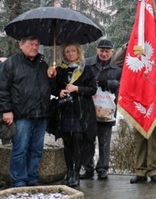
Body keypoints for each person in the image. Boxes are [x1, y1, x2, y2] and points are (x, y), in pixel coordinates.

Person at [0, 36, 53, 187]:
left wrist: (53, 76)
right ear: (21, 45)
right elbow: (2, 89)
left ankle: (32, 178)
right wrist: (6, 110)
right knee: (20, 149)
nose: (35, 47)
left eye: (37, 45)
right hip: (21, 114)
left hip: (41, 113)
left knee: (36, 149)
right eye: (31, 44)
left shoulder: (43, 64)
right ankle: (19, 181)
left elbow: (50, 88)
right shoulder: (11, 64)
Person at [113, 43, 156, 184]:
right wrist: (128, 46)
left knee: (154, 140)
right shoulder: (138, 54)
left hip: (155, 104)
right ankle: (140, 171)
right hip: (139, 102)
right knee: (139, 140)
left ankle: (154, 170)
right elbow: (117, 62)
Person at [50, 42, 97, 187]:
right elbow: (53, 88)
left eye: (73, 51)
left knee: (78, 140)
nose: (70, 54)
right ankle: (69, 171)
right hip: (65, 110)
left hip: (81, 111)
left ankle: (76, 172)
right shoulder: (59, 70)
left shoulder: (86, 69)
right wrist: (59, 91)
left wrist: (77, 88)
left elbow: (92, 89)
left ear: (78, 52)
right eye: (67, 52)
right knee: (67, 142)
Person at [82, 39, 122, 180]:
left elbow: (123, 86)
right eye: (101, 50)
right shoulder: (87, 64)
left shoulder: (117, 70)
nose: (104, 54)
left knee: (105, 141)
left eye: (107, 51)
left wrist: (111, 83)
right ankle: (88, 168)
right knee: (87, 140)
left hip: (107, 111)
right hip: (89, 109)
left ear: (112, 52)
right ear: (97, 50)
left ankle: (103, 169)